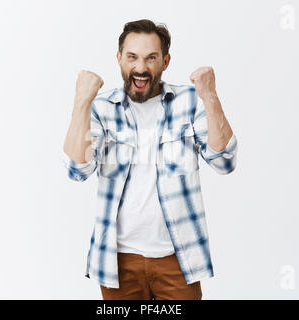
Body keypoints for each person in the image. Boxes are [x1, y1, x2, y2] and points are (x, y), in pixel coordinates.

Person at [62, 19, 238, 300]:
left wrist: (210, 96)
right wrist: (82, 101)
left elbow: (224, 161)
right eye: (132, 57)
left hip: (177, 259)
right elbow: (77, 169)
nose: (141, 68)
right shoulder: (102, 108)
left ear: (166, 61)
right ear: (119, 58)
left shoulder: (190, 102)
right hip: (118, 261)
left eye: (151, 58)